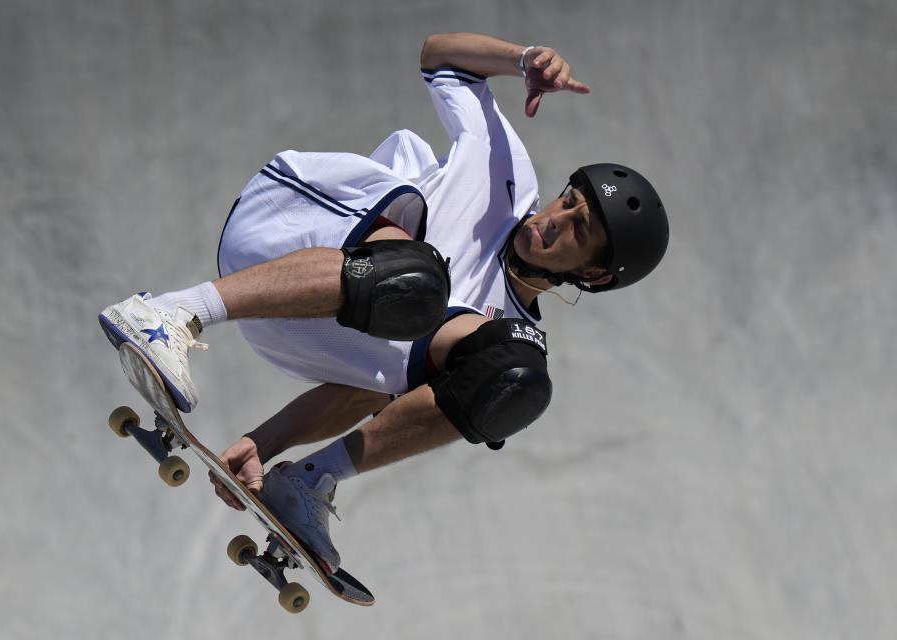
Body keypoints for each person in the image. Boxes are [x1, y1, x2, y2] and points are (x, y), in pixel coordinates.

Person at [98, 32, 669, 575]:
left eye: (579, 228)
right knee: (419, 282)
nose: (554, 219)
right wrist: (523, 59)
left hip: (293, 325)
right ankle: (173, 312)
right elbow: (440, 57)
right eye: (568, 201)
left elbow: (372, 380)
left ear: (593, 273)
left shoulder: (490, 333)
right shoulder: (507, 174)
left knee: (508, 370)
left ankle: (308, 482)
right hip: (292, 226)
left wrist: (261, 444)